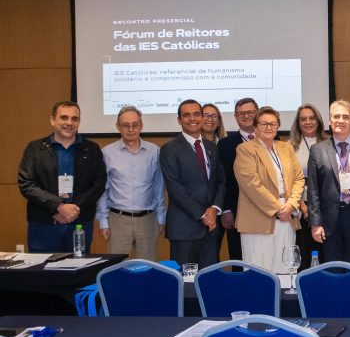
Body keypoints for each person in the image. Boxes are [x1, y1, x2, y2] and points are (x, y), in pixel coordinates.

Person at [18, 101, 107, 253]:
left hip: (80, 223)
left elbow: (98, 183)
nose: (69, 123)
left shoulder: (91, 149)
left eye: (74, 119)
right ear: (53, 120)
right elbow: (27, 184)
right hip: (44, 224)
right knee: (45, 273)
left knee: (78, 273)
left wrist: (72, 210)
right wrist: (59, 207)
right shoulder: (35, 148)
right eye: (64, 118)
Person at [234, 107, 305, 281]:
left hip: (287, 218)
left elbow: (298, 178)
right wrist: (278, 208)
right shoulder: (245, 149)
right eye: (264, 123)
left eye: (273, 124)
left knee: (286, 271)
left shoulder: (286, 148)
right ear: (255, 127)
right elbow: (251, 184)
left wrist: (291, 205)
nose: (268, 127)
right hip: (259, 221)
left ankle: (283, 308)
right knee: (259, 274)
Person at [160, 99, 225, 268]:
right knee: (185, 284)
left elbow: (220, 181)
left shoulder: (212, 147)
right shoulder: (169, 149)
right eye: (186, 115)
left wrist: (214, 209)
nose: (192, 118)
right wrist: (204, 216)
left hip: (210, 230)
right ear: (179, 120)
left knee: (208, 281)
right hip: (184, 229)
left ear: (202, 117)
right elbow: (175, 189)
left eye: (196, 114)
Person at [96, 106, 166, 260]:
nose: (131, 129)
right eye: (125, 125)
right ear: (118, 127)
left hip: (148, 219)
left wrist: (161, 217)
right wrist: (103, 221)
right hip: (118, 219)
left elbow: (158, 186)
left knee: (148, 269)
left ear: (141, 125)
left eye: (135, 124)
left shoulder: (154, 151)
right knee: (117, 269)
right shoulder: (107, 153)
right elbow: (102, 190)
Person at [307, 100, 350, 263]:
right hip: (329, 219)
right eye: (336, 116)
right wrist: (315, 223)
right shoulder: (318, 150)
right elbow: (313, 190)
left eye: (345, 117)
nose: (340, 120)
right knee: (333, 267)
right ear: (329, 120)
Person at [217, 97, 259, 260]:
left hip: (268, 210)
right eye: (242, 113)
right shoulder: (225, 144)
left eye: (250, 112)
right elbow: (223, 179)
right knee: (239, 257)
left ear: (257, 113)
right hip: (237, 210)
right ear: (235, 117)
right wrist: (226, 209)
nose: (246, 116)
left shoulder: (272, 139)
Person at [289, 103, 329, 269]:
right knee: (305, 254)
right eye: (303, 119)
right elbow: (288, 181)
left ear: (318, 120)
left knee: (325, 253)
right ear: (298, 123)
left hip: (324, 207)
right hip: (300, 208)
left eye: (311, 118)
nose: (308, 122)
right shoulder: (290, 146)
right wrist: (303, 206)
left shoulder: (329, 143)